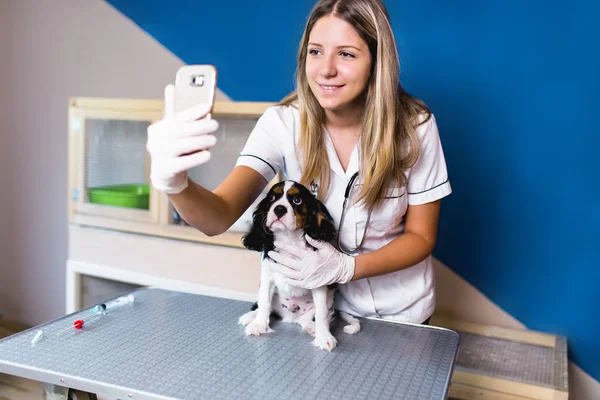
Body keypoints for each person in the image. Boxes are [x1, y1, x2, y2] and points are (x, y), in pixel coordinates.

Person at [146, 0, 451, 325]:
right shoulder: (281, 123)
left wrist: (348, 267)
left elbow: (421, 237)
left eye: (346, 54)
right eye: (315, 52)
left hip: (400, 315)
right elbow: (218, 216)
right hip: (315, 314)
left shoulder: (415, 127)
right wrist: (175, 184)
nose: (326, 69)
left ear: (377, 61)